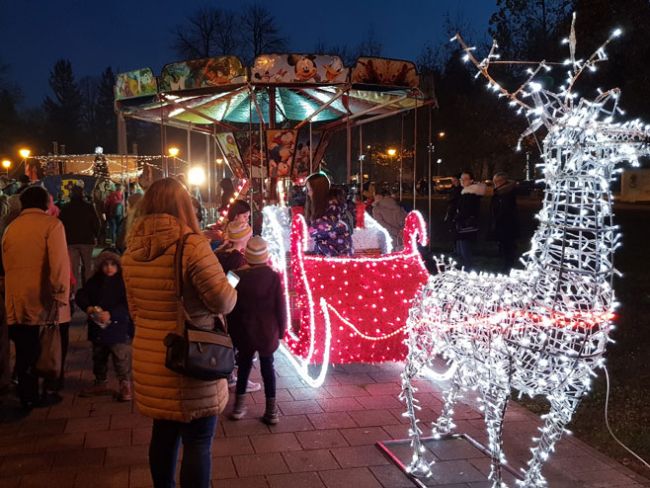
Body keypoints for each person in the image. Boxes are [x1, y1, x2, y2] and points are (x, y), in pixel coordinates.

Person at [121, 178, 237, 488]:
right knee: (198, 441)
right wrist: (232, 284)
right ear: (185, 206)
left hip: (153, 357)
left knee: (163, 434)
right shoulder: (192, 245)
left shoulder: (131, 248)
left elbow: (135, 309)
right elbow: (222, 301)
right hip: (192, 358)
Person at [2, 186, 71, 409]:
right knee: (48, 348)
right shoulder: (52, 225)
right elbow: (59, 262)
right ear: (44, 203)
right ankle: (46, 390)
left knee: (23, 350)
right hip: (43, 299)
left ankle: (26, 394)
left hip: (16, 299)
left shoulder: (11, 228)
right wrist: (61, 293)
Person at [228, 237, 286, 425]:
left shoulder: (235, 275)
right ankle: (271, 411)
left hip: (244, 331)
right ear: (265, 257)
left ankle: (238, 407)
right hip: (267, 332)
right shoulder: (273, 276)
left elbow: (225, 300)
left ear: (247, 256)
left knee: (243, 367)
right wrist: (282, 330)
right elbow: (280, 306)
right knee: (268, 368)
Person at [76, 249, 133, 401]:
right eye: (105, 264)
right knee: (99, 357)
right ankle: (100, 381)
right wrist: (88, 307)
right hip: (98, 328)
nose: (109, 268)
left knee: (121, 358)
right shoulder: (94, 282)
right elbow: (81, 295)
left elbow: (127, 304)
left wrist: (112, 314)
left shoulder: (123, 283)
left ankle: (125, 383)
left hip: (117, 328)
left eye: (113, 264)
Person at [59, 186, 101, 292]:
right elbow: (96, 223)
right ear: (82, 193)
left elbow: (61, 224)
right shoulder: (88, 207)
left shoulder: (65, 208)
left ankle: (75, 290)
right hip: (87, 240)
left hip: (71, 241)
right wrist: (96, 235)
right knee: (87, 266)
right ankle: (89, 288)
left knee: (74, 267)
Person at [305, 173, 352, 257]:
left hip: (337, 252)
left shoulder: (333, 207)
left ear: (318, 191)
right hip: (330, 251)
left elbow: (324, 225)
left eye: (310, 190)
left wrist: (306, 232)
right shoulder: (322, 206)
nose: (308, 194)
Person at [453, 171, 486, 270]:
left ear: (471, 180)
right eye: (461, 179)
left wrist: (457, 217)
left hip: (466, 225)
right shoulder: (466, 192)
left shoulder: (470, 194)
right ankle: (465, 268)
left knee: (464, 249)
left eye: (465, 179)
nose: (462, 181)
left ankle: (467, 269)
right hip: (464, 224)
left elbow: (466, 210)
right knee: (462, 248)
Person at [490, 172, 520, 272]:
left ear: (502, 181)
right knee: (504, 245)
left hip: (506, 225)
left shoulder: (505, 193)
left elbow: (505, 210)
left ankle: (508, 266)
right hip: (503, 224)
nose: (495, 183)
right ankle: (506, 264)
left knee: (508, 246)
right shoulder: (500, 192)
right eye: (494, 181)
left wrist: (498, 219)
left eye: (496, 181)